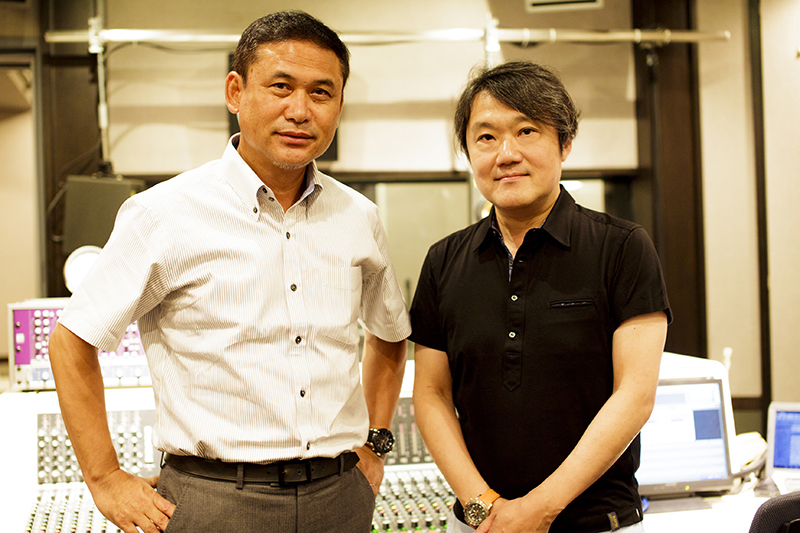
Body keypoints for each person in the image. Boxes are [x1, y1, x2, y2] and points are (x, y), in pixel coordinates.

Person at [48, 11, 411, 533]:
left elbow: (390, 334)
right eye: (281, 87)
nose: (300, 111)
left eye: (321, 93)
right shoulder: (162, 213)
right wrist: (104, 478)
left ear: (339, 104)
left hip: (340, 497)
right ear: (235, 92)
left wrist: (375, 445)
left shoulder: (359, 217)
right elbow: (71, 342)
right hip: (214, 500)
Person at [410, 61, 671, 533]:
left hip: (597, 522)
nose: (506, 154)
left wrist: (539, 509)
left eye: (526, 131)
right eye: (485, 137)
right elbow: (431, 394)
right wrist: (482, 505)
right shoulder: (443, 260)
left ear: (564, 143)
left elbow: (635, 395)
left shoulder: (623, 248)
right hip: (479, 524)